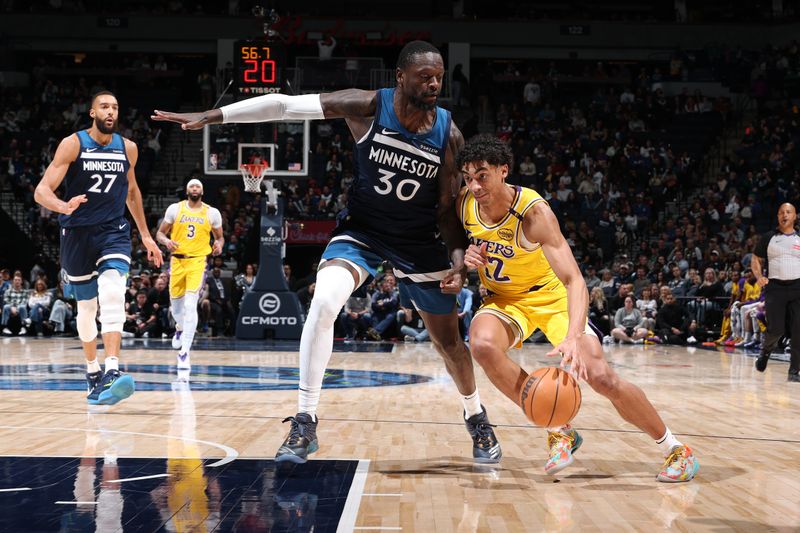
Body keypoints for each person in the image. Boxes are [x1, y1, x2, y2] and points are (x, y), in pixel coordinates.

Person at [152, 41, 501, 464]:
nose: (433, 83)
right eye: (424, 76)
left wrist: (458, 261)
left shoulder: (448, 132)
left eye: (439, 76)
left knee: (449, 344)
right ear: (400, 78)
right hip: (363, 230)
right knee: (322, 302)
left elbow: (447, 209)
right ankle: (305, 419)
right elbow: (284, 104)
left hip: (418, 239)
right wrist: (215, 115)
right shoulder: (367, 106)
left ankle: (475, 415)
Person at [457, 134, 698, 482]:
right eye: (467, 176)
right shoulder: (465, 203)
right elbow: (457, 244)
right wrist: (465, 258)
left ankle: (676, 449)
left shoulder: (532, 212)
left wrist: (572, 336)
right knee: (481, 345)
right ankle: (559, 429)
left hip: (552, 296)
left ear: (503, 171)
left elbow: (575, 281)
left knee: (600, 377)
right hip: (505, 300)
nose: (474, 184)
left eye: (482, 175)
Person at [34, 90, 162, 405]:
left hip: (113, 232)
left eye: (115, 107)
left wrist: (145, 235)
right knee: (87, 309)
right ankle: (93, 370)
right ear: (92, 112)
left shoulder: (128, 148)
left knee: (113, 292)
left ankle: (113, 370)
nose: (110, 111)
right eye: (104, 106)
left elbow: (132, 192)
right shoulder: (73, 144)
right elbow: (41, 191)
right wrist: (63, 207)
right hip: (76, 233)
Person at [155, 179, 223, 370]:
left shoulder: (212, 213)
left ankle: (184, 352)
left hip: (198, 262)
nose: (195, 188)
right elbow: (159, 234)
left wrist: (219, 245)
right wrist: (166, 242)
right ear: (187, 191)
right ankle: (180, 328)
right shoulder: (175, 209)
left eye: (198, 186)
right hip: (177, 261)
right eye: (192, 186)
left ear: (202, 191)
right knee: (176, 309)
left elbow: (220, 237)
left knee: (190, 304)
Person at [752, 203, 800, 381]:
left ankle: (794, 371)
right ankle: (765, 352)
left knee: (798, 330)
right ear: (777, 216)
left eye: (788, 212)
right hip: (775, 288)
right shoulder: (769, 237)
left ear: (795, 216)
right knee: (776, 329)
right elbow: (755, 258)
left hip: (797, 288)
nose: (784, 215)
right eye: (781, 212)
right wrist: (758, 276)